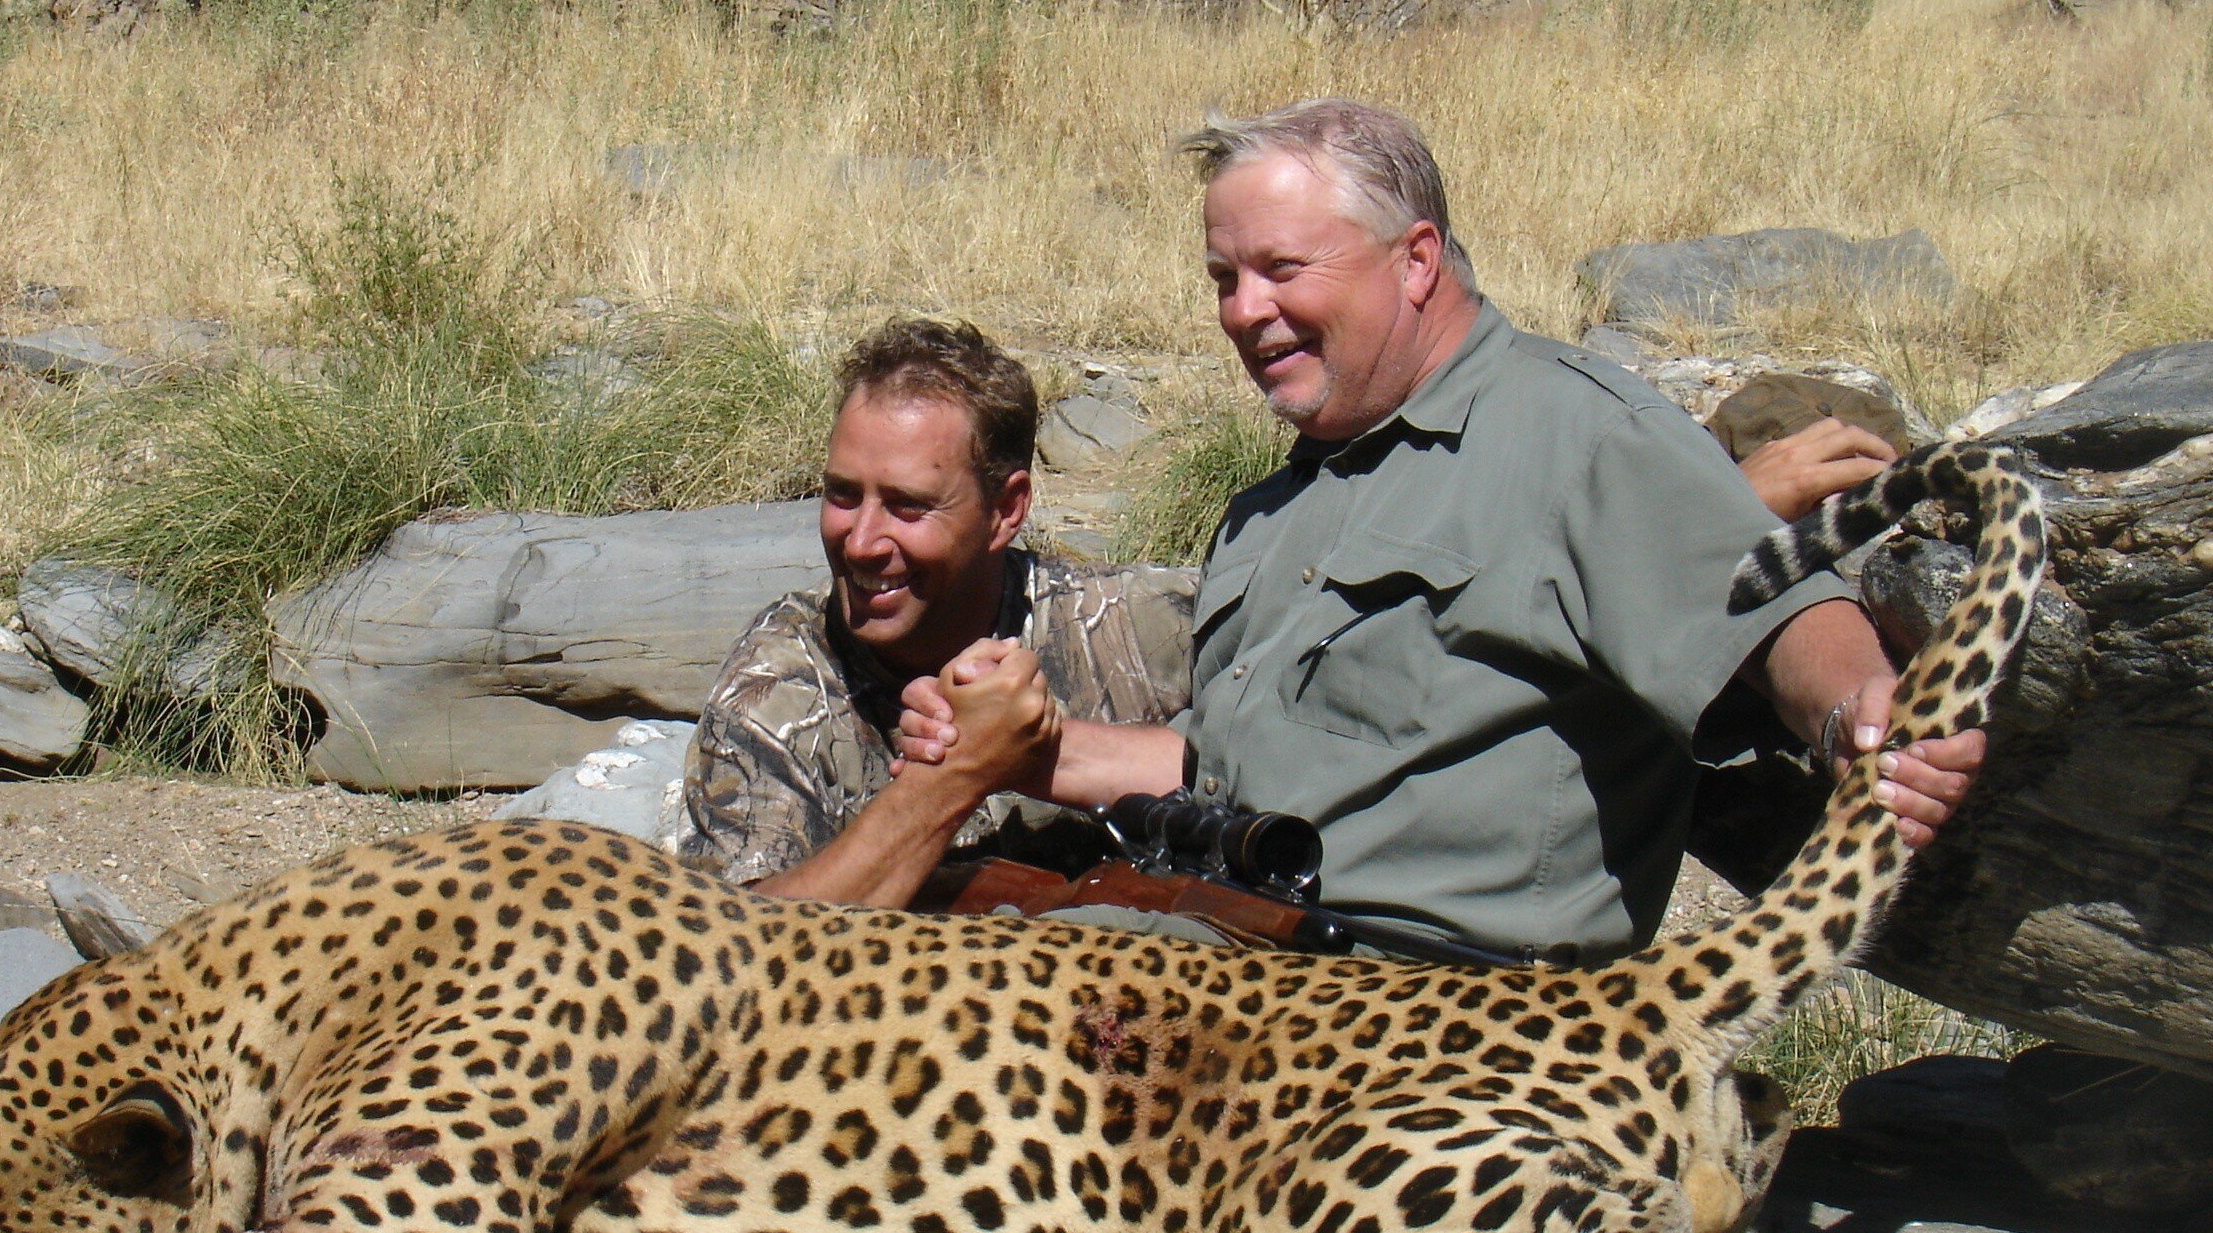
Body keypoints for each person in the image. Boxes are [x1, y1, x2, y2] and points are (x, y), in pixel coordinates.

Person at [901, 99, 1981, 962]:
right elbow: (1236, 766)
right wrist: (1023, 752)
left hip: (1427, 1017)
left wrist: (1865, 725)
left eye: (1281, 270)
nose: (1240, 310)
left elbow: (1780, 614)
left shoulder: (1583, 437)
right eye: (1224, 279)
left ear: (1415, 261)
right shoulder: (1275, 509)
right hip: (1209, 950)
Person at [672, 317, 1193, 907]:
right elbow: (738, 950)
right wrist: (956, 773)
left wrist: (1046, 750)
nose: (861, 540)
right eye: (842, 494)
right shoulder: (778, 683)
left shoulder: (1129, 622)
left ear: (1006, 509)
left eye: (908, 506)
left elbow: (1291, 766)